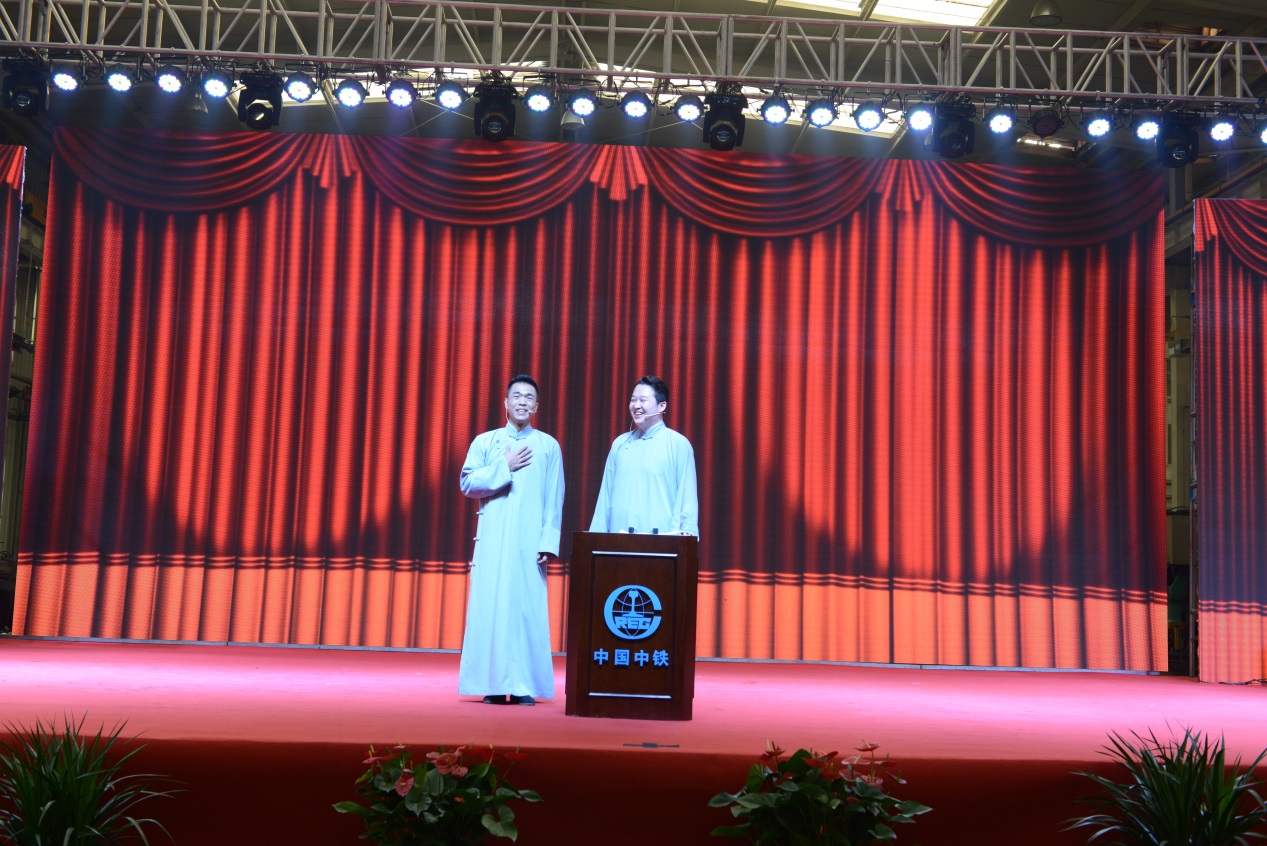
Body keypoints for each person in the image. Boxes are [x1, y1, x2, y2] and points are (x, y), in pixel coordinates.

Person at [458, 374, 564, 706]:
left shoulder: (548, 446)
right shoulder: (485, 442)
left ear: (536, 406)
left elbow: (554, 497)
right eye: (516, 396)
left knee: (526, 610)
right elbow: (467, 483)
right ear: (505, 403)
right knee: (492, 608)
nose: (522, 401)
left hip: (530, 544)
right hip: (493, 540)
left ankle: (522, 685)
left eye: (528, 397)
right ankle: (492, 684)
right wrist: (503, 466)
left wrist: (548, 542)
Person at [589, 375, 699, 536]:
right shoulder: (620, 444)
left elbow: (686, 500)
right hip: (617, 542)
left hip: (661, 544)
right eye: (633, 400)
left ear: (662, 406)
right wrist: (595, 538)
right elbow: (604, 498)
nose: (636, 405)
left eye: (643, 400)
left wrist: (684, 539)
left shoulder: (678, 445)